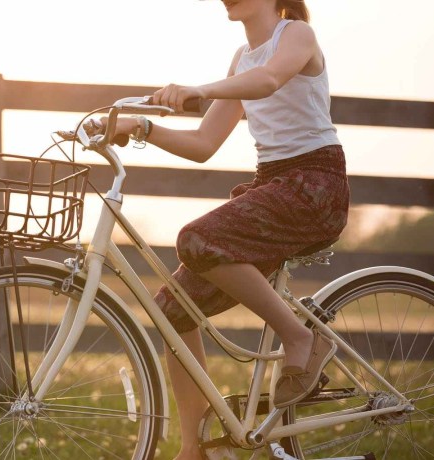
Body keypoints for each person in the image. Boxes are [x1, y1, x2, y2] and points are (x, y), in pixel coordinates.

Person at [102, 0, 349, 458]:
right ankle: (194, 449)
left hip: (314, 187)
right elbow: (202, 144)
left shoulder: (294, 35)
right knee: (173, 311)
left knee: (197, 239)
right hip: (272, 186)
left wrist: (198, 88)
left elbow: (270, 80)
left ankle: (300, 337)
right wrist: (141, 126)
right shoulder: (242, 58)